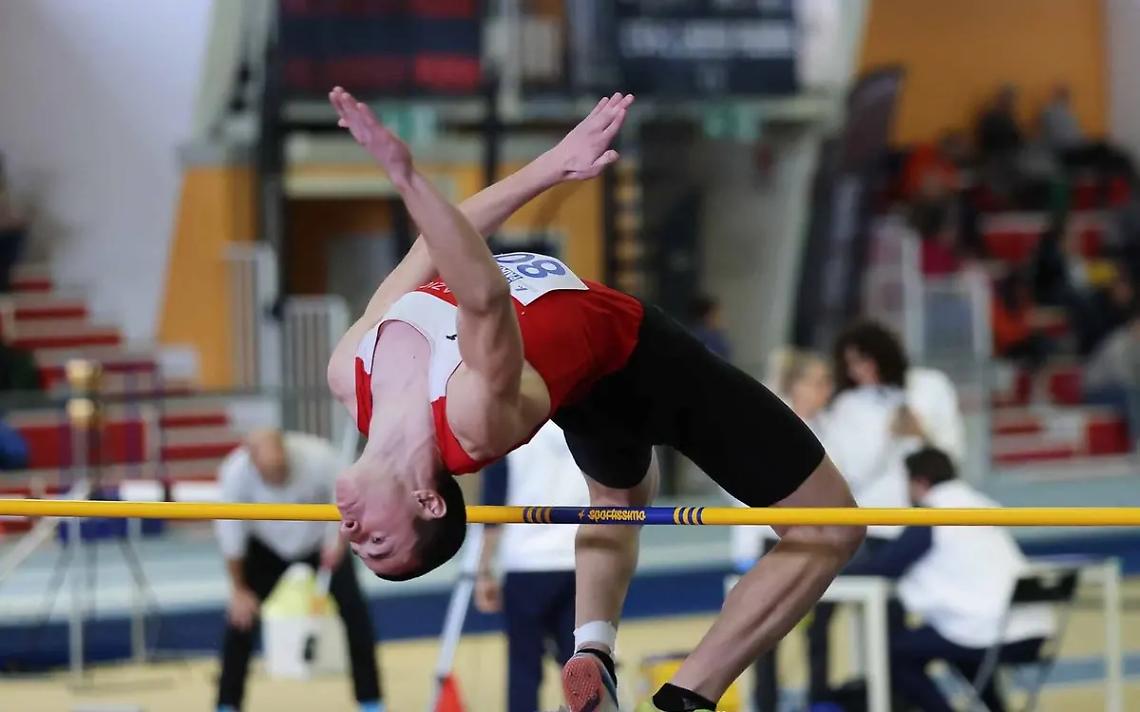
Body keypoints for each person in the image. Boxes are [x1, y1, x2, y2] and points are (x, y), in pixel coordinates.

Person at [326, 86, 863, 712]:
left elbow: (428, 252)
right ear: (426, 500)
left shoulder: (350, 374)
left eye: (361, 545)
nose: (352, 531)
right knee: (830, 527)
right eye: (377, 542)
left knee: (619, 500)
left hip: (589, 383)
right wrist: (406, 178)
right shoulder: (471, 420)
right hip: (642, 358)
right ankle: (690, 697)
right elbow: (480, 295)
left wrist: (552, 166)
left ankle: (592, 652)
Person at [847, 448, 1054, 712]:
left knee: (893, 654)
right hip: (1032, 630)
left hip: (992, 631)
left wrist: (834, 571)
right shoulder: (980, 504)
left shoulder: (933, 513)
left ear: (920, 482)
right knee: (956, 645)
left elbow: (886, 566)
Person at [215, 430, 384, 712]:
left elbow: (348, 502)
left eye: (281, 468)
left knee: (356, 613)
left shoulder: (319, 457)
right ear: (252, 462)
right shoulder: (234, 475)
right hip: (265, 545)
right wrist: (239, 589)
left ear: (287, 452)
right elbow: (231, 539)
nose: (278, 477)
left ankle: (371, 701)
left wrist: (340, 541)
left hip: (321, 541)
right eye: (269, 472)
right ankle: (226, 704)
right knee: (240, 619)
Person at [806, 321, 918, 704]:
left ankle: (893, 694)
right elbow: (852, 469)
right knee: (824, 613)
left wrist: (919, 434)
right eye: (851, 362)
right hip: (864, 521)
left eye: (864, 359)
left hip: (903, 521)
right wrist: (891, 434)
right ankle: (819, 695)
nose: (859, 369)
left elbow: (935, 460)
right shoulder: (847, 407)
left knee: (894, 617)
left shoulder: (906, 395)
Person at [734, 348, 833, 712]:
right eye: (817, 383)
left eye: (828, 383)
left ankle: (820, 697)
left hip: (818, 542)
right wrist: (745, 555)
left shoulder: (830, 428)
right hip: (773, 542)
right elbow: (743, 489)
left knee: (820, 625)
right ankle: (766, 703)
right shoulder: (770, 424)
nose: (825, 391)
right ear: (797, 386)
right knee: (767, 629)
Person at [474, 421, 590, 712]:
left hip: (525, 563)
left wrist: (484, 571)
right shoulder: (586, 420)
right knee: (582, 665)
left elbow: (492, 509)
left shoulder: (509, 427)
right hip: (580, 559)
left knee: (524, 668)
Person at [688, 295, 731, 360]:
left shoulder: (716, 335)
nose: (720, 318)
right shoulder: (701, 337)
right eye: (717, 315)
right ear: (707, 316)